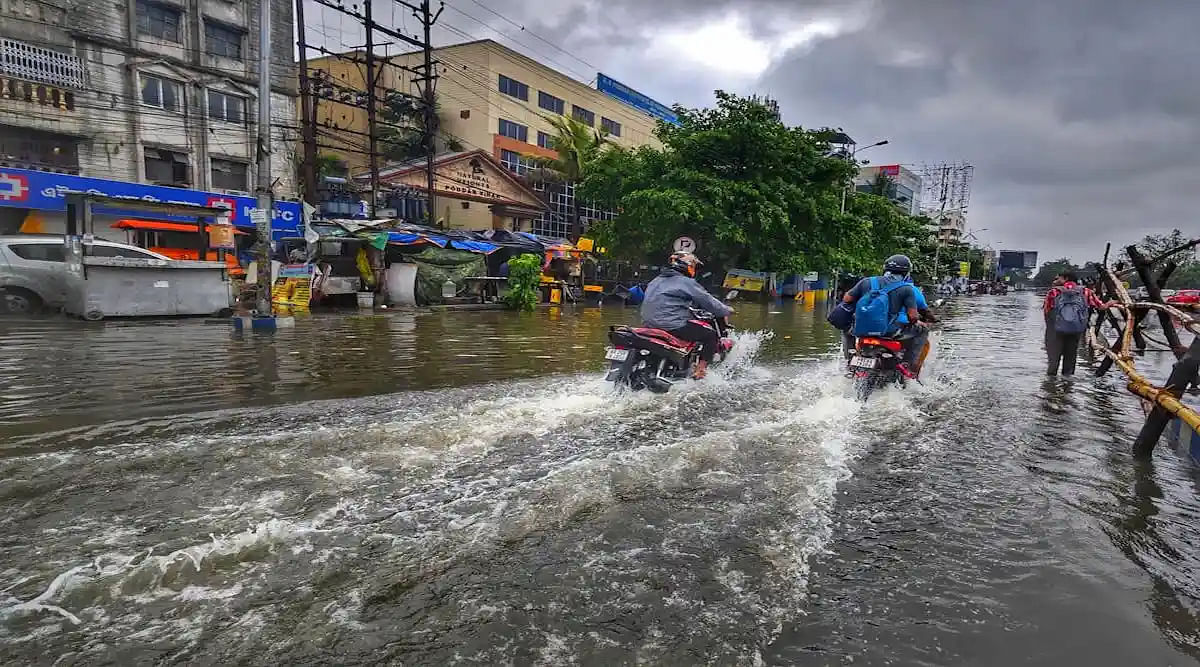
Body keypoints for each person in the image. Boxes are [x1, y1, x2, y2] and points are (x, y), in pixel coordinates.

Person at [640, 252, 734, 379]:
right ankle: (700, 371)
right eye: (694, 266)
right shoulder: (685, 282)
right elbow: (708, 301)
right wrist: (726, 309)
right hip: (672, 325)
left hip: (649, 324)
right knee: (710, 335)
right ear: (688, 266)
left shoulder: (656, 280)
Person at [842, 254, 931, 378]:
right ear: (906, 273)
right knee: (923, 330)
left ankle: (849, 358)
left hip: (862, 330)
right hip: (890, 331)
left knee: (846, 329)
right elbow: (913, 316)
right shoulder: (907, 288)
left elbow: (846, 299)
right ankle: (908, 365)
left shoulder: (867, 281)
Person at [1043, 270, 1113, 376]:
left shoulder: (1053, 292)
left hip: (1055, 330)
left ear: (1066, 279)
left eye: (1058, 278)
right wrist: (1111, 303)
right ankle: (1068, 386)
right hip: (1075, 330)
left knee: (1053, 360)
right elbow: (1101, 307)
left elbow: (1046, 311)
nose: (1055, 281)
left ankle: (1051, 386)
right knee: (1070, 358)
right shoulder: (1086, 291)